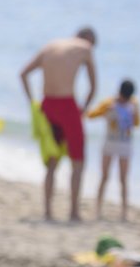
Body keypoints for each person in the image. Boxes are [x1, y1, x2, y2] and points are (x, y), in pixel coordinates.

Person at [20, 27, 98, 221]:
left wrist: (32, 104)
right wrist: (83, 109)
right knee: (78, 162)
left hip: (47, 105)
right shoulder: (85, 47)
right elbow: (93, 87)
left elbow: (23, 74)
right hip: (67, 105)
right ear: (89, 38)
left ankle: (48, 211)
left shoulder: (50, 46)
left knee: (52, 162)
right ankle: (73, 212)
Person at [89, 79, 138, 221]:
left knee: (123, 179)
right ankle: (97, 209)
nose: (124, 99)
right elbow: (91, 115)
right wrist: (106, 110)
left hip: (125, 144)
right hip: (109, 143)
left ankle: (124, 212)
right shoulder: (109, 103)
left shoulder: (133, 104)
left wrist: (134, 114)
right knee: (104, 176)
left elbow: (136, 123)